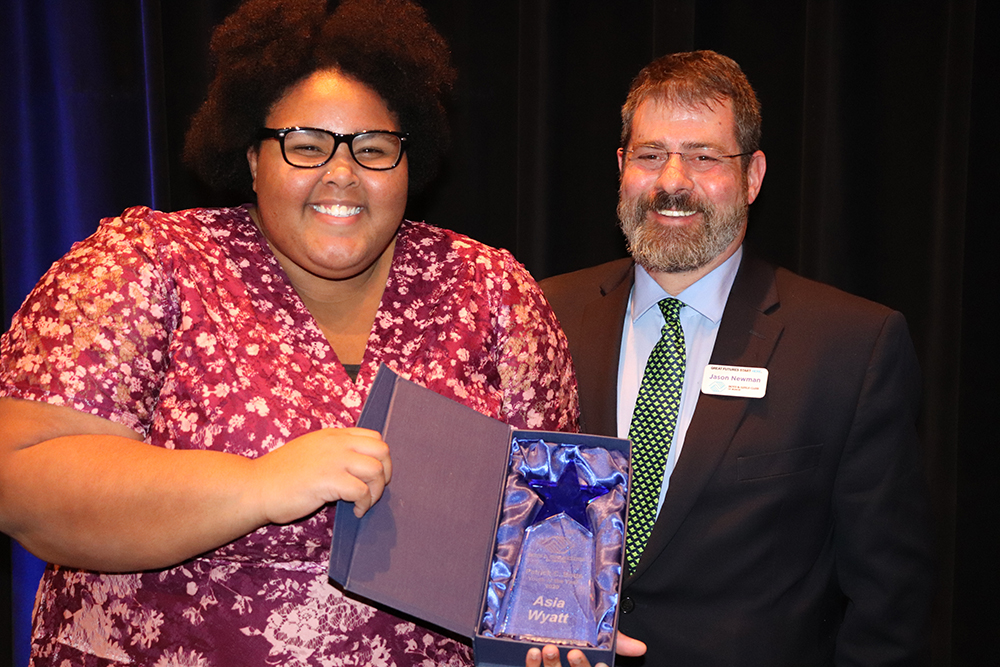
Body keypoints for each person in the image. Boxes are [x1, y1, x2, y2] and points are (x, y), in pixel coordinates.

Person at [0, 0, 578, 665]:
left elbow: (549, 522)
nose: (341, 173)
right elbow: (22, 480)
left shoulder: (491, 288)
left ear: (408, 161)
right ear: (251, 155)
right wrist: (260, 485)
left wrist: (562, 627)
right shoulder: (149, 262)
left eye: (373, 148)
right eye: (305, 145)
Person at [538, 51, 934, 666]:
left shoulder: (852, 346)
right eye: (650, 155)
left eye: (703, 156)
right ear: (621, 169)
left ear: (752, 176)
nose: (672, 180)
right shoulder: (543, 314)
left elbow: (889, 606)